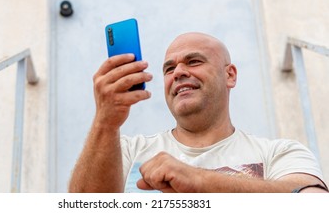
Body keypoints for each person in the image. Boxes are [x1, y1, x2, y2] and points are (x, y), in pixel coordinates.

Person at [68, 32, 328, 193]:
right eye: (169, 69)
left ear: (230, 75)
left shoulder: (279, 153)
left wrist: (201, 182)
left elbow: (314, 201)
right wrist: (105, 121)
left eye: (193, 61)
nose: (178, 72)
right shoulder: (124, 150)